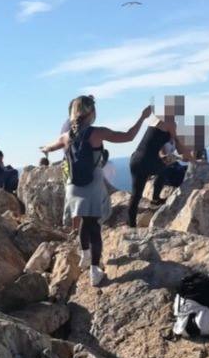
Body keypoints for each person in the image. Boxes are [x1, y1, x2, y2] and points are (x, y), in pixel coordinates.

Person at [41, 96, 151, 286]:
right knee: (94, 227)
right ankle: (94, 271)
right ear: (91, 112)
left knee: (84, 221)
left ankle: (85, 255)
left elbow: (49, 147)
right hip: (92, 184)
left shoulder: (66, 136)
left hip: (73, 186)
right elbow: (129, 136)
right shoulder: (96, 133)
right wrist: (142, 117)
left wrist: (45, 149)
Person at [129, 97, 194, 226]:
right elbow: (180, 148)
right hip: (147, 161)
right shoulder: (170, 122)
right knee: (167, 166)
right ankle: (155, 199)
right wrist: (193, 160)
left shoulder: (155, 120)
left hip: (135, 159)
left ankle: (131, 224)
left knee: (136, 195)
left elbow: (156, 145)